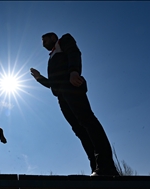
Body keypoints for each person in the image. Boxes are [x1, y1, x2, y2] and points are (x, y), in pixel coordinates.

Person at [30, 32, 119, 176]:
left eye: (44, 40)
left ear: (53, 37)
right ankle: (96, 168)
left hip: (71, 87)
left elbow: (74, 52)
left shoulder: (64, 40)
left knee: (88, 121)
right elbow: (52, 83)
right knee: (79, 130)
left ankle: (106, 166)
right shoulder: (51, 58)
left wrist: (74, 71)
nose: (43, 44)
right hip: (61, 96)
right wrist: (39, 78)